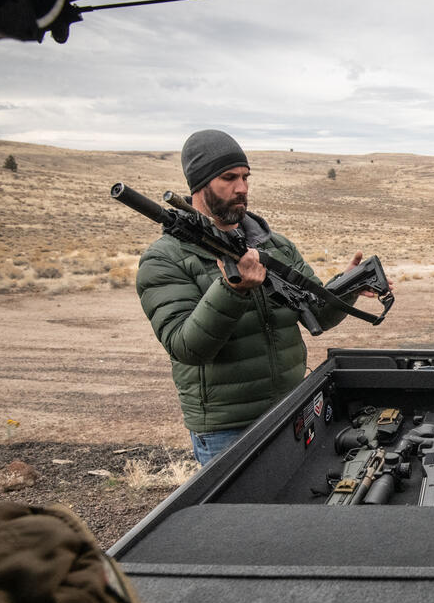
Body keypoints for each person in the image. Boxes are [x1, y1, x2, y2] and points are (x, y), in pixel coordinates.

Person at [137, 129, 375, 465]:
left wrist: (346, 287)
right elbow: (187, 347)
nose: (242, 188)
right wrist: (233, 290)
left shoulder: (274, 245)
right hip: (228, 429)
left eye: (246, 177)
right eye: (229, 178)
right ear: (199, 184)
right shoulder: (165, 259)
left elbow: (316, 315)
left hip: (293, 407)